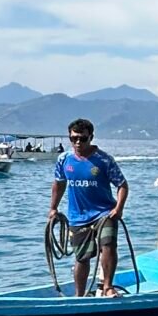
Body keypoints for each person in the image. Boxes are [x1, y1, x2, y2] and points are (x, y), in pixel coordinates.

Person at [49, 118, 129, 298]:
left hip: (104, 213)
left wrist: (119, 208)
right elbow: (59, 184)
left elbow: (122, 185)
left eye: (82, 139)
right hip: (78, 217)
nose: (78, 142)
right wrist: (53, 208)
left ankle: (108, 286)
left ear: (91, 137)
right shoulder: (64, 160)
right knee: (81, 257)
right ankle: (79, 296)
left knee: (107, 245)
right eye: (74, 138)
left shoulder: (104, 160)